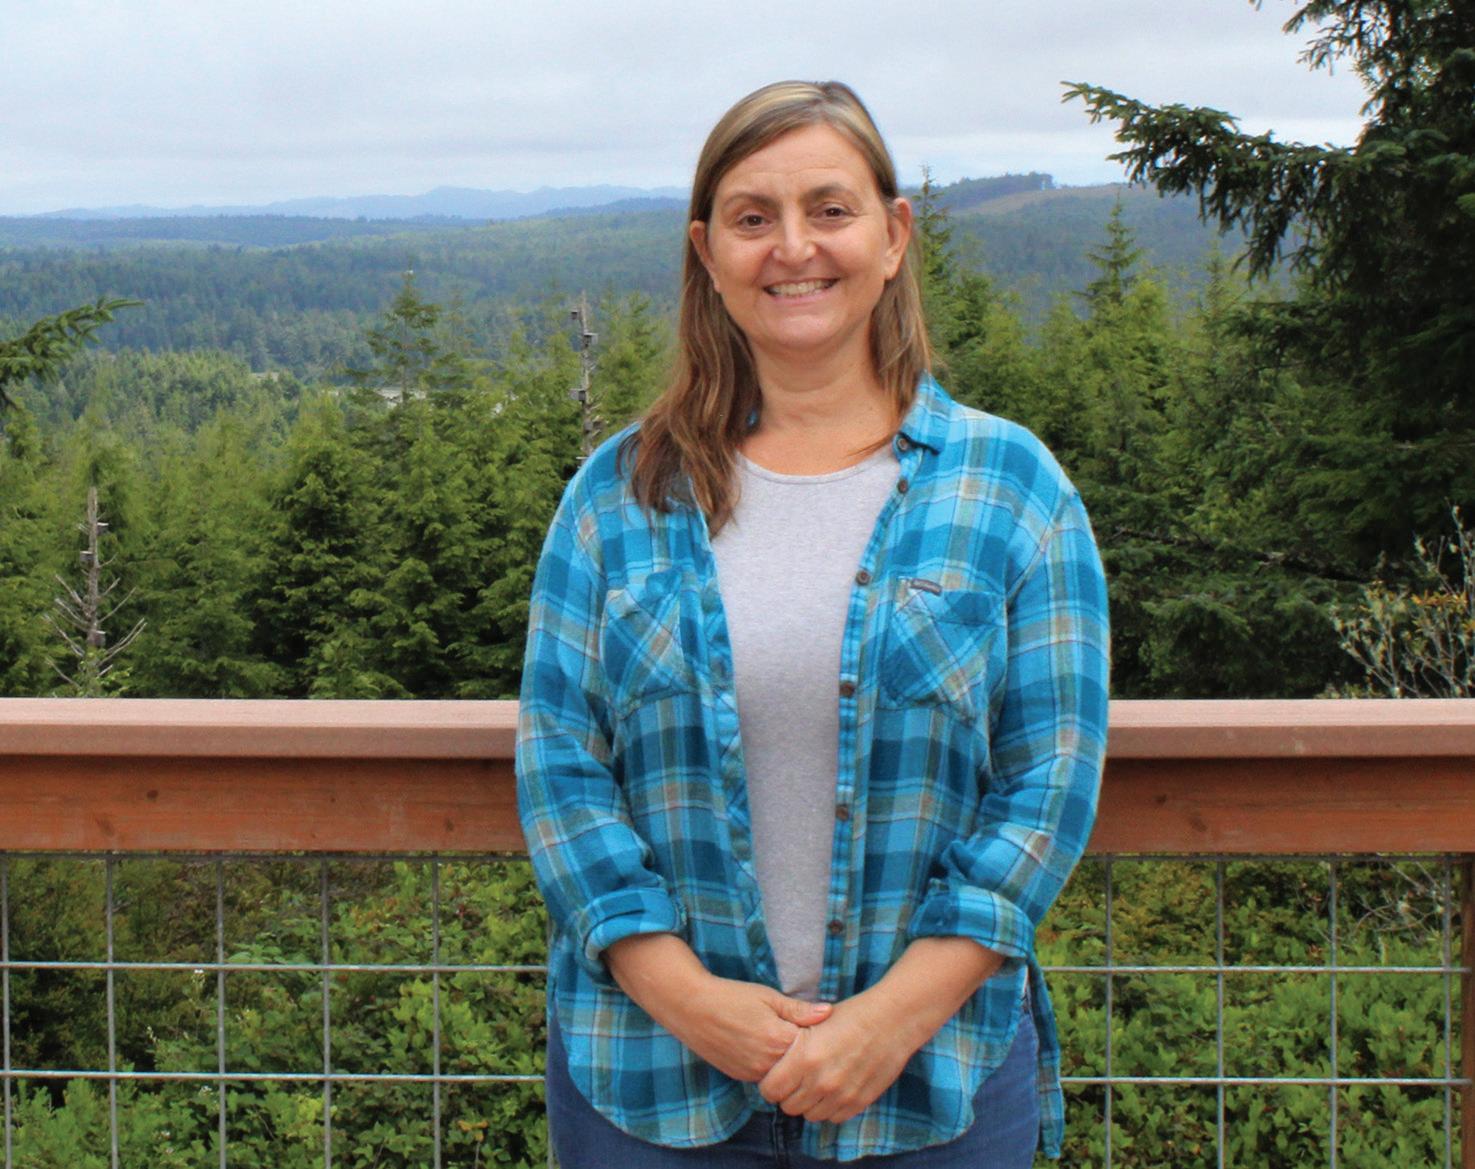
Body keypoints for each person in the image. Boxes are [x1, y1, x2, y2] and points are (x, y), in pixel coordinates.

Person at [516, 80, 1109, 1167]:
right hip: (647, 1073)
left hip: (931, 1074)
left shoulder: (1011, 486)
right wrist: (687, 997)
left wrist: (890, 1018)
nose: (793, 247)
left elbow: (1048, 782)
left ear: (893, 235)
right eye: (753, 218)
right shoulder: (616, 494)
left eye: (829, 209)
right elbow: (561, 765)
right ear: (708, 253)